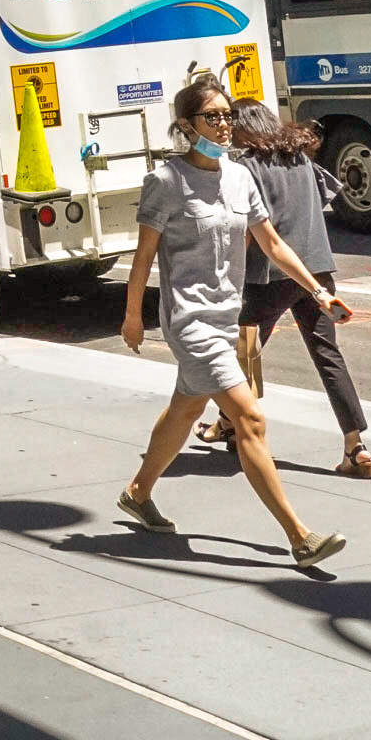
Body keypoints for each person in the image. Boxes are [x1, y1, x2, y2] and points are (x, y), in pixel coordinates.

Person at [117, 74, 353, 570]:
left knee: (186, 410)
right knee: (249, 418)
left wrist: (317, 290)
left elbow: (272, 243)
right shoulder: (166, 182)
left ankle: (138, 493)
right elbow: (143, 258)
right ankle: (300, 537)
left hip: (225, 315)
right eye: (213, 117)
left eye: (227, 116)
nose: (225, 125)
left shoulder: (240, 176)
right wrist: (133, 315)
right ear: (187, 125)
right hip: (188, 320)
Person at [225, 100, 371, 479]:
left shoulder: (246, 168)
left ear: (243, 127)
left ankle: (238, 427)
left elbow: (247, 231)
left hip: (268, 277)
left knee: (244, 353)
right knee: (328, 355)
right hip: (318, 272)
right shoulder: (300, 159)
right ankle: (356, 446)